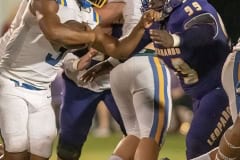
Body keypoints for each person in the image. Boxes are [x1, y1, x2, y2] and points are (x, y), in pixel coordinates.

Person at [88, 0, 234, 159]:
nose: (150, 1)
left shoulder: (191, 6)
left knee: (198, 146)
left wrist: (176, 40)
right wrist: (109, 63)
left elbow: (206, 30)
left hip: (222, 88)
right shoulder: (159, 21)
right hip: (200, 94)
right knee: (219, 149)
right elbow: (125, 49)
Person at [0, 0, 120, 159]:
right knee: (17, 150)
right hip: (10, 80)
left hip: (42, 90)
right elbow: (54, 32)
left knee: (40, 154)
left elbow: (116, 48)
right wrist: (93, 36)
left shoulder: (86, 11)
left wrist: (140, 31)